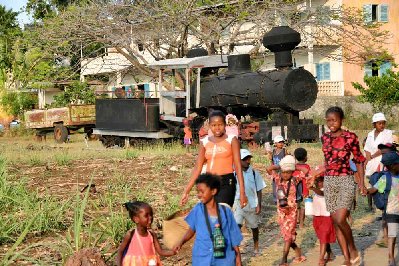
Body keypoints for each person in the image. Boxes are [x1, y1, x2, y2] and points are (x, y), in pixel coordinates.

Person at [320, 106, 366, 266]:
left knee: (341, 218)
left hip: (346, 179)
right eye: (329, 120)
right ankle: (347, 258)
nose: (331, 123)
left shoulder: (351, 137)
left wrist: (361, 183)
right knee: (336, 222)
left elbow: (359, 159)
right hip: (329, 181)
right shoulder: (324, 137)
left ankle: (353, 248)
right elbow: (327, 161)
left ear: (341, 120)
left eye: (335, 120)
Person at [180, 110, 247, 208]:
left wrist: (242, 192)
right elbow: (197, 168)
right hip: (209, 182)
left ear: (225, 125)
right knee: (209, 216)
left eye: (220, 124)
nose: (217, 128)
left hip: (226, 182)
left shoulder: (232, 140)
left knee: (220, 212)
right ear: (209, 126)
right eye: (213, 125)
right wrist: (186, 191)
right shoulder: (205, 141)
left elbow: (237, 166)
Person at [175, 174, 243, 266]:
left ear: (213, 191)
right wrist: (181, 242)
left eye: (202, 192)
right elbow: (191, 229)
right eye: (198, 192)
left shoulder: (226, 212)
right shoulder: (197, 210)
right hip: (202, 258)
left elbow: (233, 235)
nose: (199, 195)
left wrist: (238, 256)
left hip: (224, 259)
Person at [116, 201, 177, 266]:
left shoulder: (151, 234)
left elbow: (160, 251)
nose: (150, 218)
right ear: (136, 219)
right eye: (146, 216)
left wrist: (173, 252)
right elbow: (120, 251)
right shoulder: (131, 235)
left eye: (151, 215)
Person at [367, 151, 399, 266]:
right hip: (392, 210)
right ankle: (391, 257)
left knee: (393, 234)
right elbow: (375, 189)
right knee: (392, 234)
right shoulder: (386, 178)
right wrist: (366, 191)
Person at [274, 155, 306, 266]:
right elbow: (268, 168)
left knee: (287, 236)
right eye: (284, 172)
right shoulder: (277, 179)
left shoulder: (294, 180)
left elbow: (306, 171)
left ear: (292, 172)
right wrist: (282, 165)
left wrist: (294, 166)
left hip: (292, 212)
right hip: (281, 212)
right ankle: (298, 251)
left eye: (288, 172)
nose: (286, 174)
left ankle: (284, 260)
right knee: (286, 235)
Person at [233, 149, 266, 255]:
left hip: (251, 204)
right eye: (245, 159)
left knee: (254, 227)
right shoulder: (234, 174)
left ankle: (256, 247)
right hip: (238, 203)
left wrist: (259, 205)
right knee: (237, 226)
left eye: (249, 159)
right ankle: (236, 249)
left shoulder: (254, 173)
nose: (248, 161)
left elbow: (259, 189)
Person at [364, 112, 393, 211]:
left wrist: (372, 156)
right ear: (374, 124)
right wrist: (367, 160)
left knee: (381, 184)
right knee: (371, 182)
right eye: (379, 123)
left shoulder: (388, 133)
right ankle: (371, 206)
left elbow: (384, 148)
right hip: (371, 162)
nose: (382, 125)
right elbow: (367, 148)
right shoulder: (370, 134)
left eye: (383, 123)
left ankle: (383, 207)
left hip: (381, 161)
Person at [310, 173, 336, 266]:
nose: (320, 183)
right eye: (318, 181)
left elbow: (322, 193)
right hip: (317, 216)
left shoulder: (327, 189)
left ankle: (321, 259)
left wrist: (313, 188)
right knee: (322, 237)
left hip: (327, 216)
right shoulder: (315, 191)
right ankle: (329, 253)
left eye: (322, 180)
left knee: (324, 236)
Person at [267, 135, 288, 203]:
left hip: (282, 171)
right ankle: (276, 199)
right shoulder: (273, 151)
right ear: (275, 143)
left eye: (282, 142)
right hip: (275, 171)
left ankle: (283, 198)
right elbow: (272, 161)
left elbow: (287, 159)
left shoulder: (284, 151)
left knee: (282, 185)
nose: (281, 143)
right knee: (275, 185)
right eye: (279, 142)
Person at [293, 147, 311, 229]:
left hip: (295, 191)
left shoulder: (294, 167)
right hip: (305, 190)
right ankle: (301, 224)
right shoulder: (307, 167)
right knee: (303, 207)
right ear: (305, 157)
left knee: (296, 206)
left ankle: (295, 221)